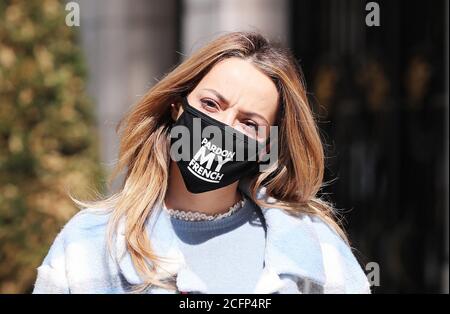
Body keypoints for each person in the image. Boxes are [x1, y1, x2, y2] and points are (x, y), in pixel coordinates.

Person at [32, 31, 371, 294]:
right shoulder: (90, 242)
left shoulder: (315, 245)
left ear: (267, 148)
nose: (223, 126)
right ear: (176, 107)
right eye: (211, 104)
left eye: (249, 123)